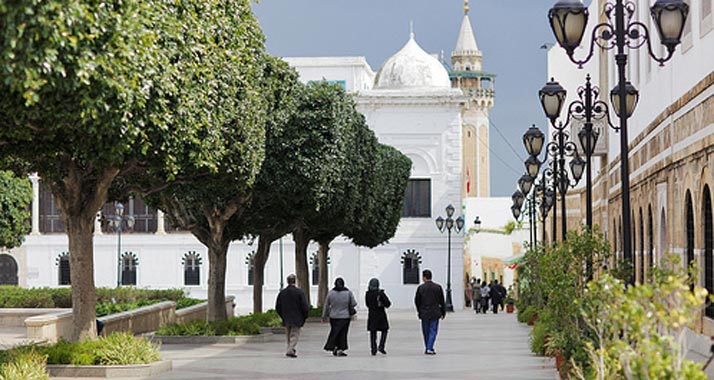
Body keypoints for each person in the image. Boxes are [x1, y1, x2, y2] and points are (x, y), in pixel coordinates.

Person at [275, 274, 309, 358]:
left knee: (288, 335)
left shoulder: (282, 293)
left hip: (286, 317)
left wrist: (282, 315)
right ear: (295, 281)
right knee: (294, 335)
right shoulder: (299, 292)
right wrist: (304, 316)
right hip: (297, 317)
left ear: (287, 281)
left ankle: (290, 349)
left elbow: (277, 306)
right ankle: (290, 350)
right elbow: (305, 306)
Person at [322, 277, 357, 357]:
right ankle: (340, 349)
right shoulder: (348, 293)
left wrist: (324, 316)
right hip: (345, 316)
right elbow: (354, 303)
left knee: (335, 332)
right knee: (343, 333)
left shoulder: (331, 293)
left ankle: (334, 346)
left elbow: (326, 305)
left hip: (333, 317)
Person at [414, 269, 445, 355]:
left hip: (424, 312)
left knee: (425, 331)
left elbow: (417, 301)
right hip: (435, 312)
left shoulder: (420, 288)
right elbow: (442, 301)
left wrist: (419, 310)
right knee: (433, 330)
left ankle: (428, 347)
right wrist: (443, 312)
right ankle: (429, 347)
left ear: (424, 277)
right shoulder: (438, 287)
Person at [365, 278, 391, 356]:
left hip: (372, 314)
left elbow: (367, 304)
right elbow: (388, 303)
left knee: (373, 332)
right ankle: (381, 346)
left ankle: (373, 349)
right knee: (385, 330)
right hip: (381, 314)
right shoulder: (380, 293)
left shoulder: (368, 294)